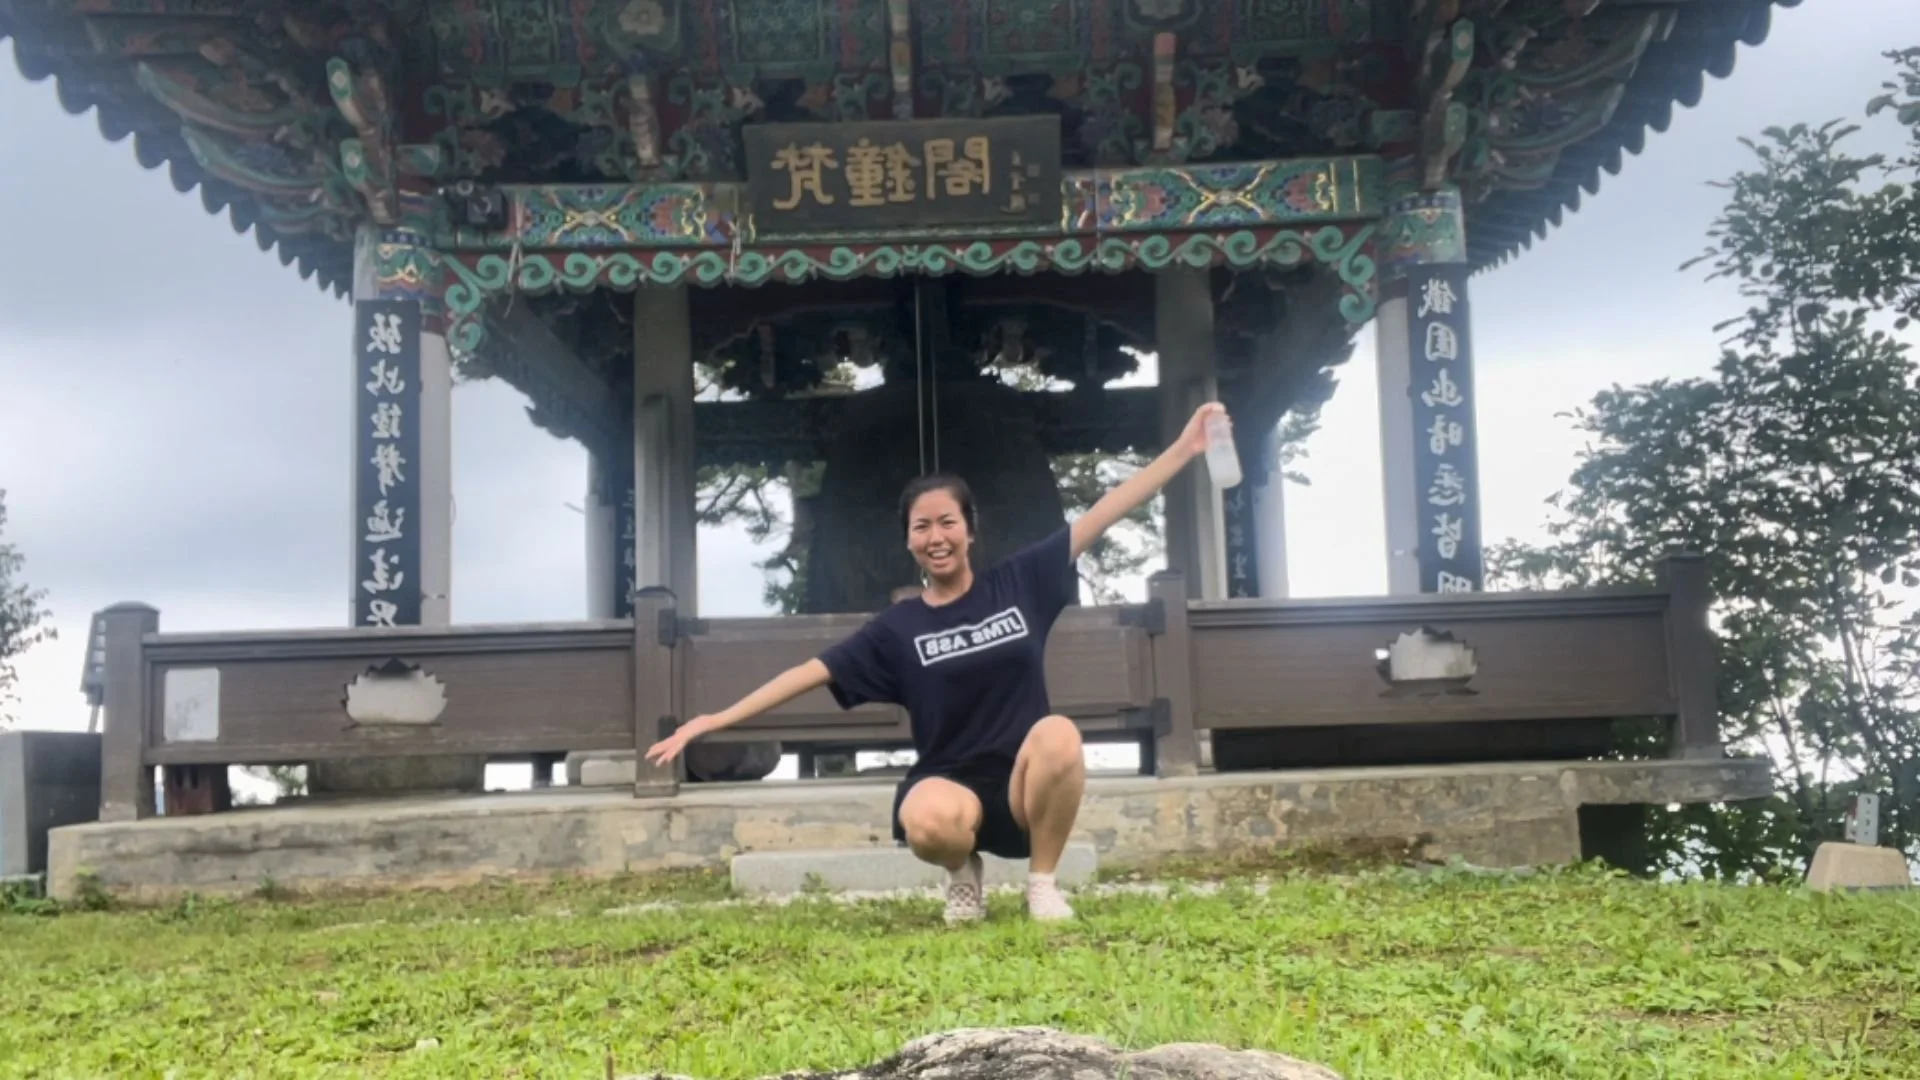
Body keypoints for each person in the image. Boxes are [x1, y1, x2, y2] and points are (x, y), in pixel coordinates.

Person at [645, 401, 1233, 924]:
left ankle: (1042, 883)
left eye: (948, 522)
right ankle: (963, 876)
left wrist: (1186, 448)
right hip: (950, 783)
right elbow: (808, 673)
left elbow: (1105, 511)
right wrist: (715, 720)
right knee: (927, 822)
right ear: (908, 541)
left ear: (970, 530)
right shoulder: (899, 628)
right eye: (922, 526)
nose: (937, 536)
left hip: (1021, 786)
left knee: (1057, 734)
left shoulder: (1020, 582)